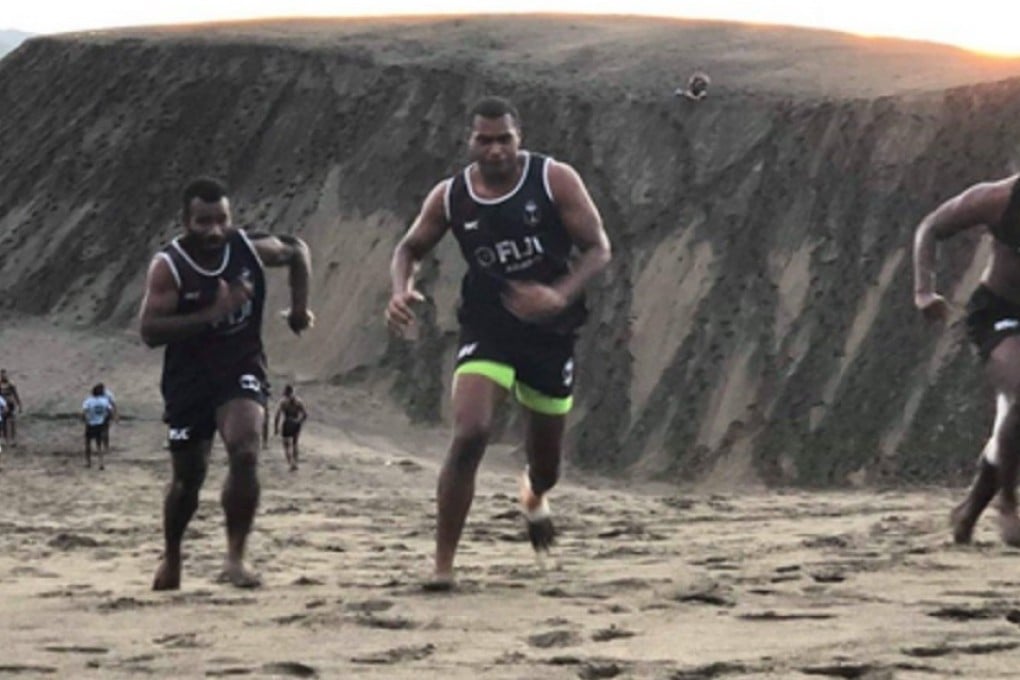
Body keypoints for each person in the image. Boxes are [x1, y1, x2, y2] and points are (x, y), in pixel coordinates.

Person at [385, 96, 612, 589]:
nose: (494, 150)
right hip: (488, 326)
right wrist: (400, 288)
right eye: (483, 140)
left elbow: (598, 247)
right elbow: (409, 248)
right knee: (469, 433)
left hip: (550, 333)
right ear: (470, 141)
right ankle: (442, 567)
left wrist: (558, 294)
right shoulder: (451, 196)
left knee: (547, 467)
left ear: (519, 137)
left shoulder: (554, 179)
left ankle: (532, 495)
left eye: (503, 139)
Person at [139, 176, 313, 590]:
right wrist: (215, 313)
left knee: (246, 449)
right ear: (185, 222)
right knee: (188, 480)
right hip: (189, 377)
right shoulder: (170, 265)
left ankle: (235, 558)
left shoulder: (247, 248)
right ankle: (174, 557)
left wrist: (299, 311)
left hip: (240, 365)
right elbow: (149, 331)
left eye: (221, 220)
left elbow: (298, 251)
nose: (214, 231)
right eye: (203, 222)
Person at [913, 172, 1020, 545]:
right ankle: (1008, 504)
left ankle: (969, 511)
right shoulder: (997, 199)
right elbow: (931, 227)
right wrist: (924, 290)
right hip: (999, 313)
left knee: (1011, 419)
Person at [273, 384, 307, 472]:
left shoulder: (283, 402)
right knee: (295, 444)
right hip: (296, 423)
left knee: (286, 445)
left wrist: (276, 428)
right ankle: (295, 462)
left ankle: (291, 463)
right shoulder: (298, 401)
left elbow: (277, 416)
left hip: (287, 423)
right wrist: (299, 421)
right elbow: (305, 414)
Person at [82, 384, 114, 470]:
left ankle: (88, 462)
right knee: (99, 444)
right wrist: (107, 418)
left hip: (90, 424)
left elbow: (84, 412)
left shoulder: (88, 401)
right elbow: (110, 411)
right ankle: (101, 463)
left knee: (88, 444)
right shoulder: (104, 401)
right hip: (100, 424)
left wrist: (85, 419)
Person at [0, 369, 23, 448]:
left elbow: (16, 394)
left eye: (5, 374)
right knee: (3, 423)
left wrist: (19, 404)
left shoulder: (11, 384)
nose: (4, 376)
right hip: (3, 405)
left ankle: (13, 439)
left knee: (12, 421)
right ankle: (6, 440)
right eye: (2, 375)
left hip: (11, 404)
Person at [98, 383, 118, 452]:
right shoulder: (96, 394)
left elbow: (113, 404)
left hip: (107, 413)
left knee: (105, 430)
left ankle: (105, 446)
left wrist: (115, 415)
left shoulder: (108, 394)